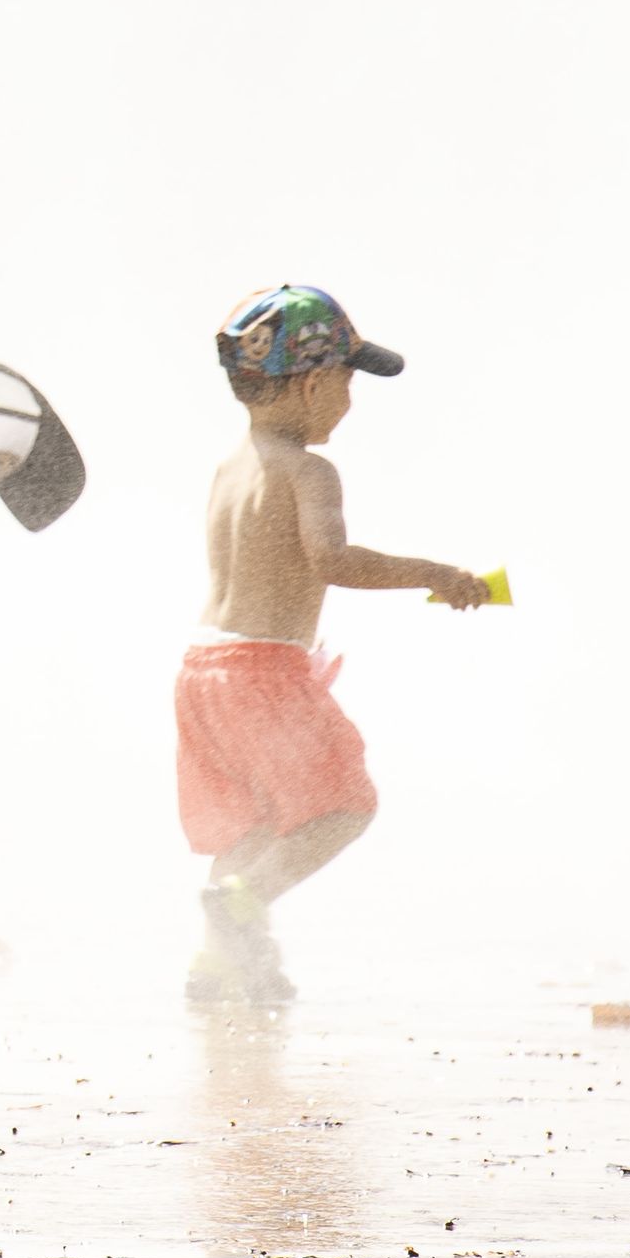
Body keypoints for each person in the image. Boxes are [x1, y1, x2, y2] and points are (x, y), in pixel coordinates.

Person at [181, 285, 487, 1005]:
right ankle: (242, 906)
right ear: (315, 382)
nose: (349, 402)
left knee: (252, 818)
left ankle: (217, 966)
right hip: (262, 668)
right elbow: (331, 560)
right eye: (348, 383)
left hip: (202, 668)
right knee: (343, 805)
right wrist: (433, 574)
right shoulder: (309, 471)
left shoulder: (232, 468)